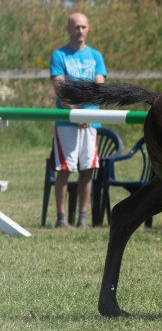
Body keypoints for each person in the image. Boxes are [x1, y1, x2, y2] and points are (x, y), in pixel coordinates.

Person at [50, 13, 107, 228]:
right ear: (68, 29)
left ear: (89, 28)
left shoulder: (96, 56)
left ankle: (83, 218)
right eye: (76, 27)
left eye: (83, 27)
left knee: (87, 170)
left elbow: (100, 87)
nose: (80, 31)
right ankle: (61, 218)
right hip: (67, 122)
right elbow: (60, 89)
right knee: (64, 169)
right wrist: (76, 113)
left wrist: (87, 115)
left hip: (90, 121)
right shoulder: (59, 55)